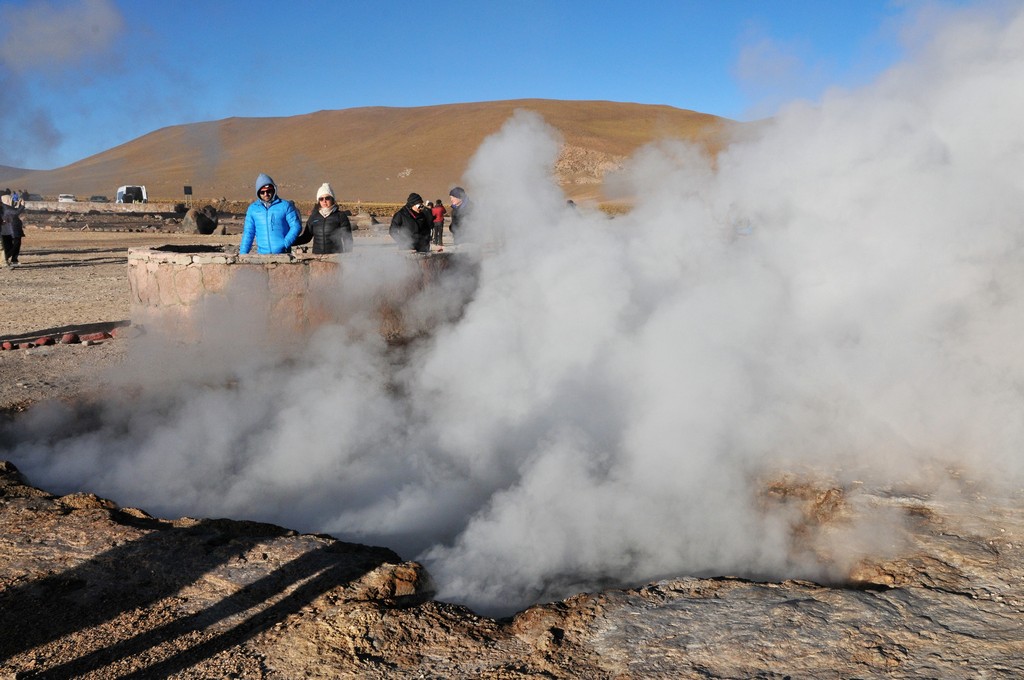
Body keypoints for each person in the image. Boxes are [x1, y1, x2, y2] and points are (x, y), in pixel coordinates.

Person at [240, 173, 302, 254]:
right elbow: (248, 233)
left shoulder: (285, 205)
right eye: (262, 192)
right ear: (258, 193)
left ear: (273, 189)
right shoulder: (253, 209)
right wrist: (242, 254)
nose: (266, 194)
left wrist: (285, 243)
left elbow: (296, 226)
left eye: (268, 191)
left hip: (283, 254)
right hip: (262, 255)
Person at [305, 182, 353, 253]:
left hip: (336, 256)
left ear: (332, 199)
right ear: (318, 201)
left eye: (327, 198)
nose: (324, 201)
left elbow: (347, 239)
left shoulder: (340, 216)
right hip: (317, 257)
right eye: (321, 199)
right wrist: (290, 241)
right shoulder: (313, 217)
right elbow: (306, 237)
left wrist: (347, 256)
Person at [1, 192, 26, 267]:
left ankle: (12, 259)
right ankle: (5, 259)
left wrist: (19, 205)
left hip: (10, 229)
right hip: (12, 229)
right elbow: (15, 212)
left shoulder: (5, 207)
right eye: (10, 199)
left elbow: (14, 211)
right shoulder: (5, 207)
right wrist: (22, 206)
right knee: (14, 245)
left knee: (11, 245)